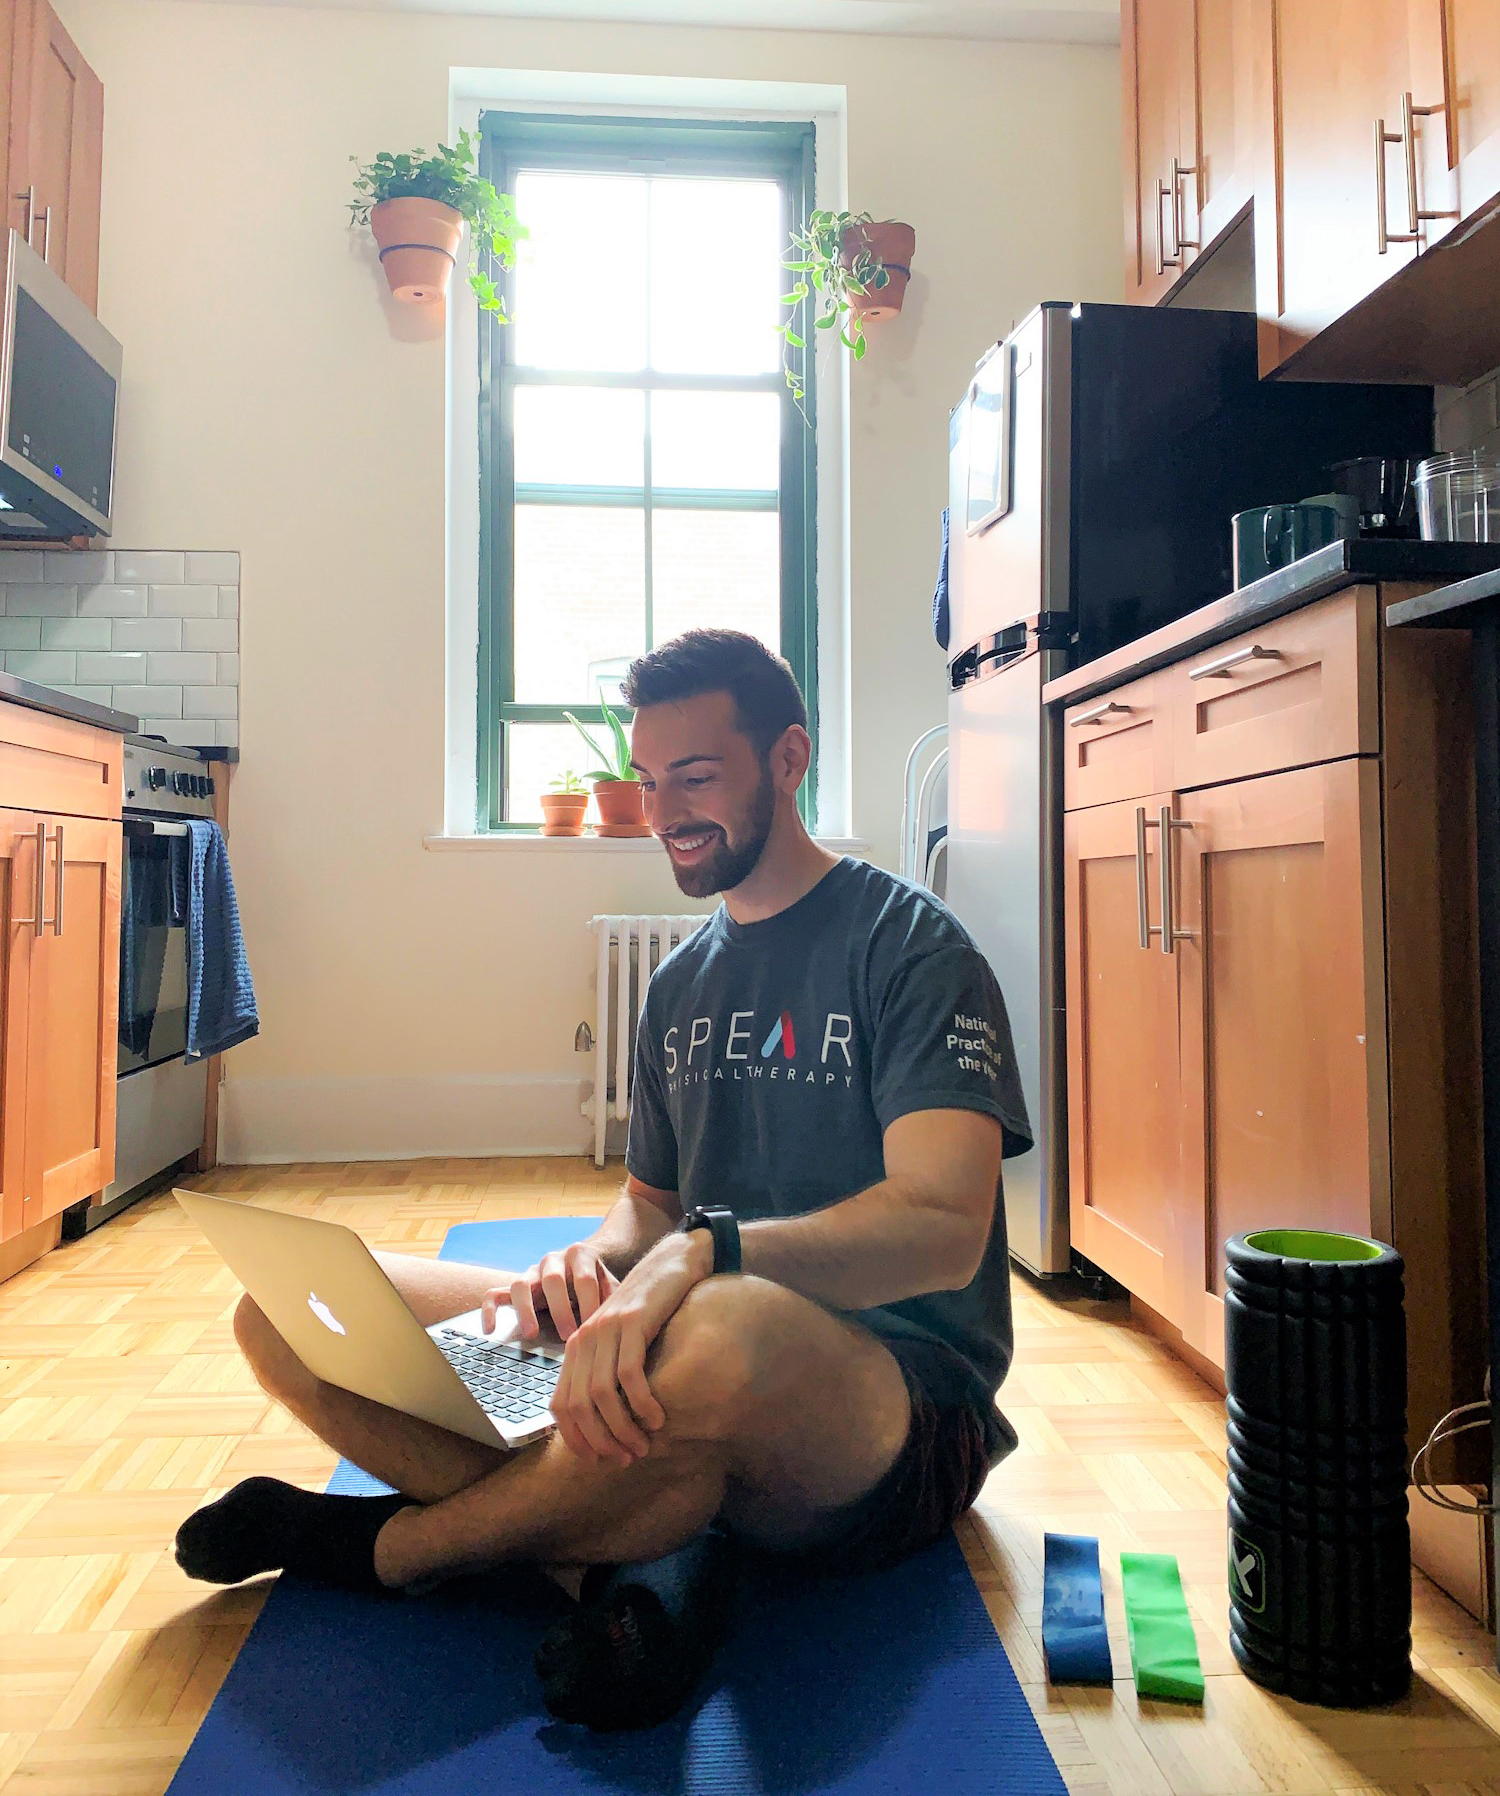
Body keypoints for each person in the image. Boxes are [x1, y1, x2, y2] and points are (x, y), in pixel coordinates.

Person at [174, 628, 1031, 1724]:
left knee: (724, 1328)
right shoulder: (679, 983)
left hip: (896, 1409)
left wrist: (700, 1254)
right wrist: (589, 1261)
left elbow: (943, 1227)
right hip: (685, 1340)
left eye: (698, 775)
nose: (663, 807)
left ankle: (386, 1547)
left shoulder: (913, 947)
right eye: (648, 776)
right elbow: (649, 1208)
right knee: (285, 1311)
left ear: (788, 758)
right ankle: (648, 1561)